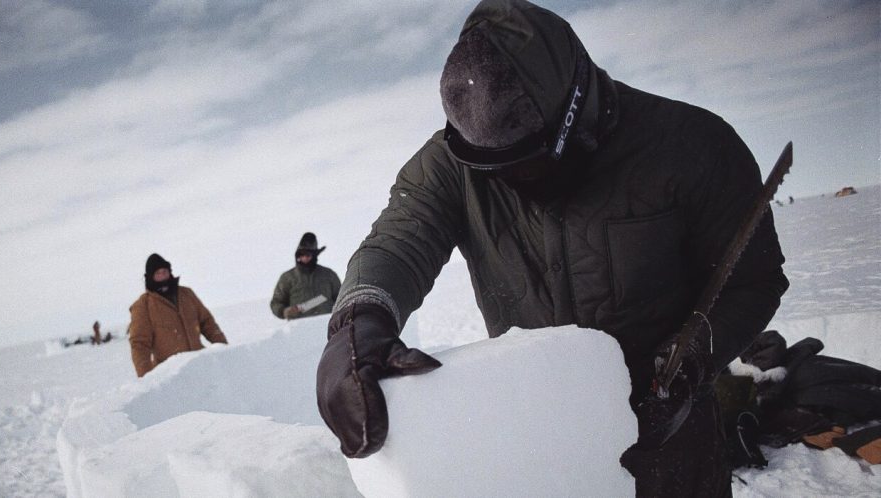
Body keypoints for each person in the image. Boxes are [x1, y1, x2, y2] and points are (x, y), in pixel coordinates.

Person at [314, 1, 788, 496]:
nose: (509, 183)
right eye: (492, 168)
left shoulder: (693, 146)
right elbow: (399, 241)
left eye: (525, 165)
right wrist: (361, 318)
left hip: (675, 443)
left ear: (573, 113)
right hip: (545, 449)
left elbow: (754, 280)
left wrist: (696, 354)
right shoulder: (451, 166)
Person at [129, 253, 228, 377]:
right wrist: (146, 380)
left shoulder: (187, 294)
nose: (162, 276)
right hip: (171, 376)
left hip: (201, 366)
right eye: (157, 273)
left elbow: (207, 323)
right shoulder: (143, 306)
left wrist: (225, 350)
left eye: (164, 271)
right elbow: (140, 344)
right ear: (150, 277)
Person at [270, 232, 341, 319]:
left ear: (314, 255)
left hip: (327, 325)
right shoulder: (287, 278)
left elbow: (342, 299)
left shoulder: (329, 275)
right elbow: (276, 302)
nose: (304, 258)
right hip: (300, 328)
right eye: (301, 254)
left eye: (307, 254)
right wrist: (284, 311)